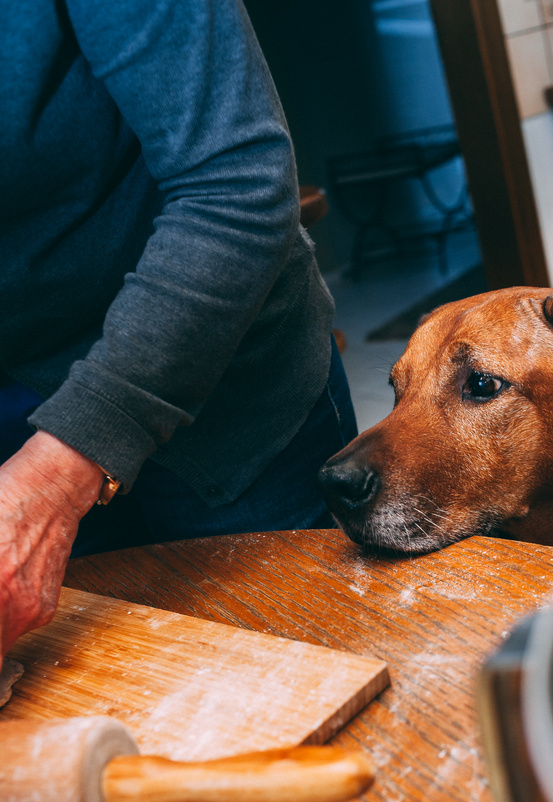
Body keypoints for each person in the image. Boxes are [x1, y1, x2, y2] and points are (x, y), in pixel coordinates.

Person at [0, 0, 357, 658]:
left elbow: (236, 183)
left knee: (291, 679)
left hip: (221, 392)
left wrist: (54, 479)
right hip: (15, 404)